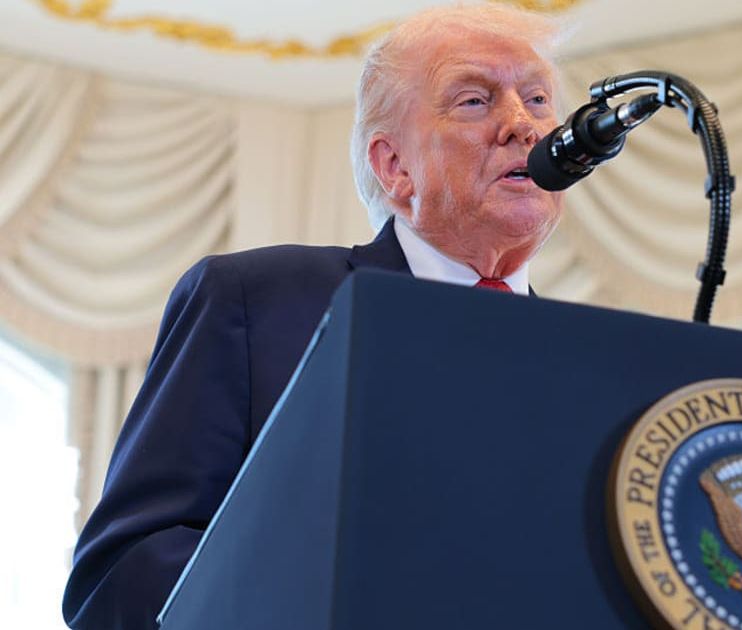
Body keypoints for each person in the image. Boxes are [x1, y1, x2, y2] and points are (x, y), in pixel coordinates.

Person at [62, 5, 565, 629]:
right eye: (474, 101)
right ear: (394, 166)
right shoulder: (254, 302)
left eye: (538, 99)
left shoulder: (584, 363)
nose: (523, 125)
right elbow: (122, 577)